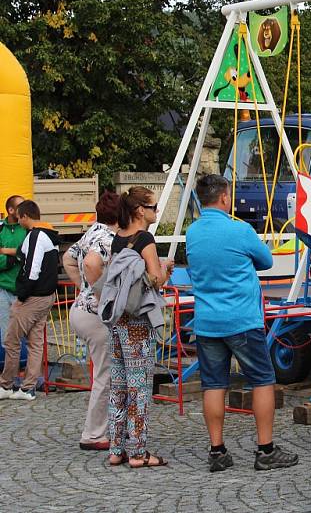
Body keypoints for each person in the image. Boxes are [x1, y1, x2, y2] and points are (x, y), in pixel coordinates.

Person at [186, 174, 298, 473]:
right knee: (262, 380)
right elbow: (267, 261)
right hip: (242, 319)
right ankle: (265, 449)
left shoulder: (193, 232)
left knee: (214, 384)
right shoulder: (240, 229)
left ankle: (217, 450)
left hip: (207, 321)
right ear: (224, 197)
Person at [107, 187, 173, 468]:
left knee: (119, 385)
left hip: (118, 319)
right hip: (137, 322)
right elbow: (155, 280)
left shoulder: (118, 239)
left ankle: (115, 448)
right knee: (139, 387)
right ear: (139, 211)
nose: (156, 213)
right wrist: (165, 271)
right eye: (153, 208)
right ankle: (138, 452)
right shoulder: (144, 239)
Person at [63, 191, 120, 451]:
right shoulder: (109, 238)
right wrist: (99, 294)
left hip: (79, 310)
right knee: (104, 375)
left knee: (102, 372)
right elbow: (90, 262)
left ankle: (102, 429)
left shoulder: (92, 232)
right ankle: (94, 434)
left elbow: (68, 259)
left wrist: (83, 288)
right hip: (95, 315)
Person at [0, 200, 59, 401]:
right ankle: (28, 388)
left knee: (11, 339)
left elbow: (31, 271)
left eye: (19, 217)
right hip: (47, 296)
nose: (18, 221)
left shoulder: (35, 236)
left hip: (33, 297)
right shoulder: (49, 235)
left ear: (25, 216)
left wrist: (22, 296)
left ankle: (6, 384)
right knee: (35, 342)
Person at [0, 195, 26, 343]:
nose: (25, 210)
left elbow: (27, 256)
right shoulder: (0, 230)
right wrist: (14, 258)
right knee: (6, 337)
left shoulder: (27, 230)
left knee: (24, 335)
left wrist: (6, 251)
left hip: (22, 291)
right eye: (21, 206)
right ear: (10, 210)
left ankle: (24, 366)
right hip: (2, 290)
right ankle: (10, 366)